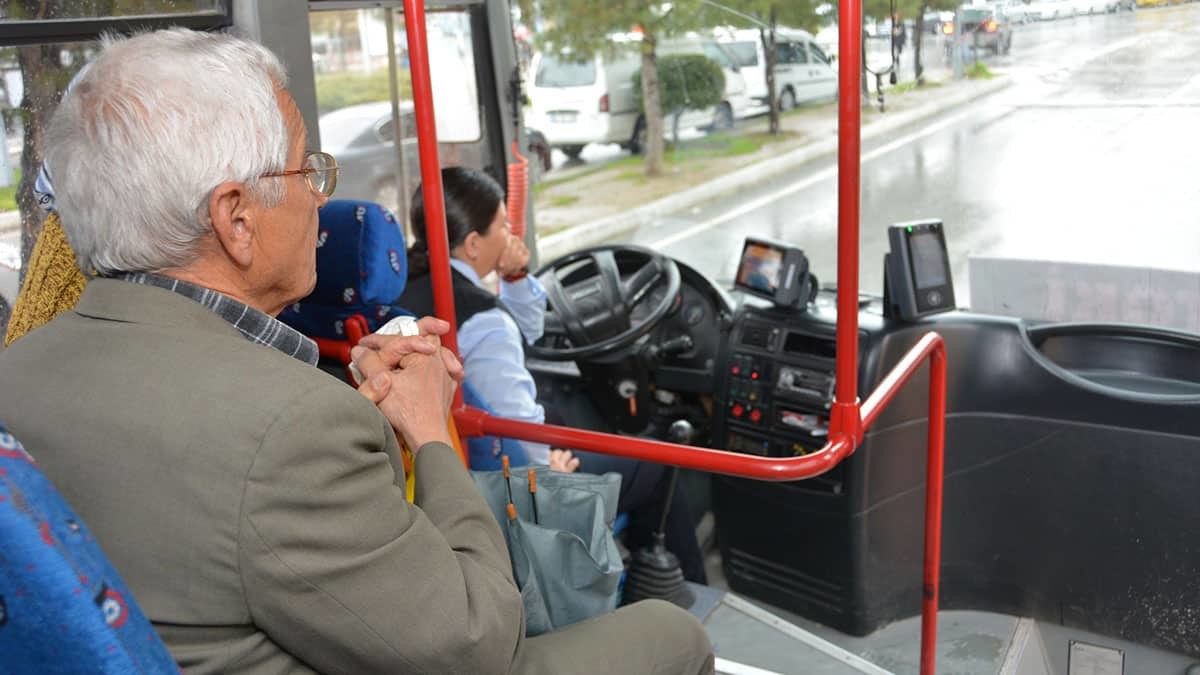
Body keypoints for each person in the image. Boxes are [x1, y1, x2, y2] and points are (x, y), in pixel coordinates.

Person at [0, 28, 713, 674]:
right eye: (303, 171)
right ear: (236, 218)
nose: (321, 199)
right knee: (670, 632)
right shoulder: (291, 428)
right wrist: (431, 431)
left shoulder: (19, 372)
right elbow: (481, 644)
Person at [398, 167, 708, 585]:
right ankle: (677, 588)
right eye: (503, 224)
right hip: (507, 481)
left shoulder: (403, 291)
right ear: (473, 244)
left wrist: (515, 277)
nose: (511, 234)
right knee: (654, 463)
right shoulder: (484, 323)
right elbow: (517, 424)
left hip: (438, 470)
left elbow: (527, 331)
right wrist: (548, 478)